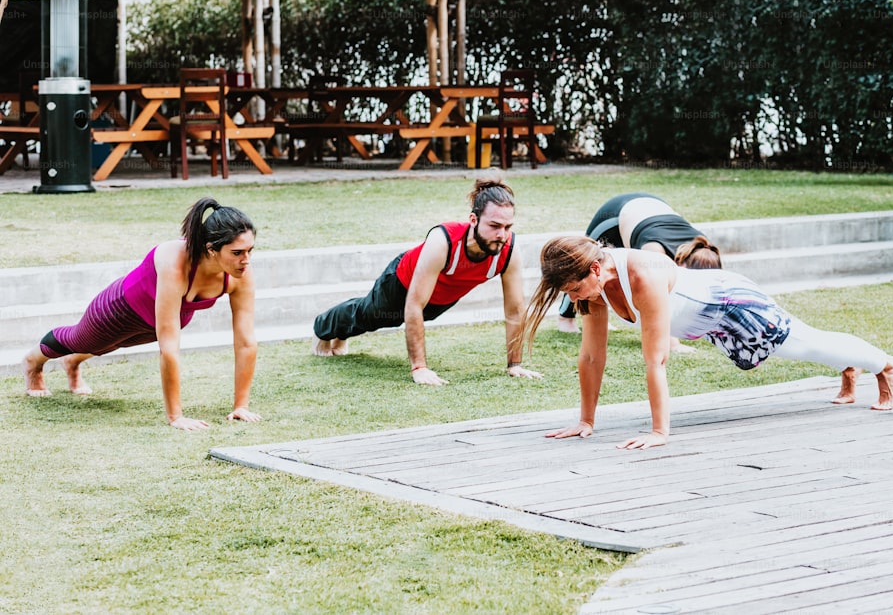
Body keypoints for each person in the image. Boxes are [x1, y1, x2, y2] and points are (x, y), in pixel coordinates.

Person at [522, 235, 893, 450]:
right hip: (705, 323)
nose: (573, 299)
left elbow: (656, 361)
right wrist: (586, 421)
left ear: (592, 270)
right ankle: (848, 368)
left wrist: (659, 432)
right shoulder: (592, 288)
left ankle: (882, 365)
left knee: (804, 344)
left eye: (573, 289)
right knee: (802, 348)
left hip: (730, 300)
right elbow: (591, 357)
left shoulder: (642, 274)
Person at [22, 197, 261, 431]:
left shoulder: (240, 274)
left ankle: (72, 362)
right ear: (211, 249)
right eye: (238, 252)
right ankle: (33, 362)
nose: (246, 260)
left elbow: (246, 342)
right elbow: (169, 349)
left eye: (250, 250)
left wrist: (241, 406)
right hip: (119, 309)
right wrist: (175, 417)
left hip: (159, 319)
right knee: (79, 340)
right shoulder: (176, 261)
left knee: (108, 346)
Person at [312, 178, 543, 386]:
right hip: (401, 283)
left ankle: (341, 334)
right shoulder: (443, 240)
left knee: (382, 320)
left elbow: (514, 310)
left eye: (507, 227)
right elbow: (413, 304)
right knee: (368, 315)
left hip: (439, 300)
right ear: (473, 220)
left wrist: (515, 364)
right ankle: (323, 329)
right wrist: (419, 368)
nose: (502, 235)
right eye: (494, 226)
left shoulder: (509, 249)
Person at [557, 193, 721, 355]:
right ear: (681, 264)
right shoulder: (655, 251)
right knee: (580, 268)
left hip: (650, 208)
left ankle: (598, 318)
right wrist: (672, 344)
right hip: (615, 214)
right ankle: (565, 318)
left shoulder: (705, 250)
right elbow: (661, 298)